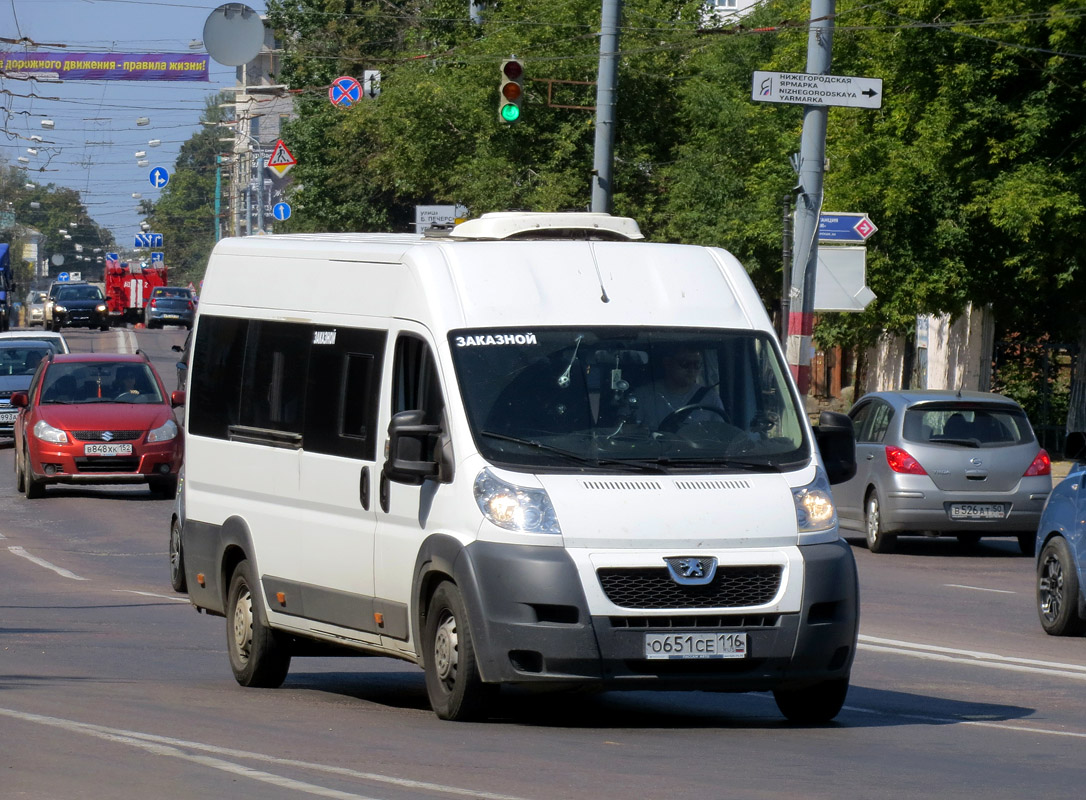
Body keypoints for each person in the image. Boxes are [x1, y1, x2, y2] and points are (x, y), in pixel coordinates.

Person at [631, 347, 726, 429]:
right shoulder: (642, 395)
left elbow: (719, 434)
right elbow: (627, 431)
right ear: (667, 363)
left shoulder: (710, 398)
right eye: (685, 363)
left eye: (697, 364)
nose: (692, 370)